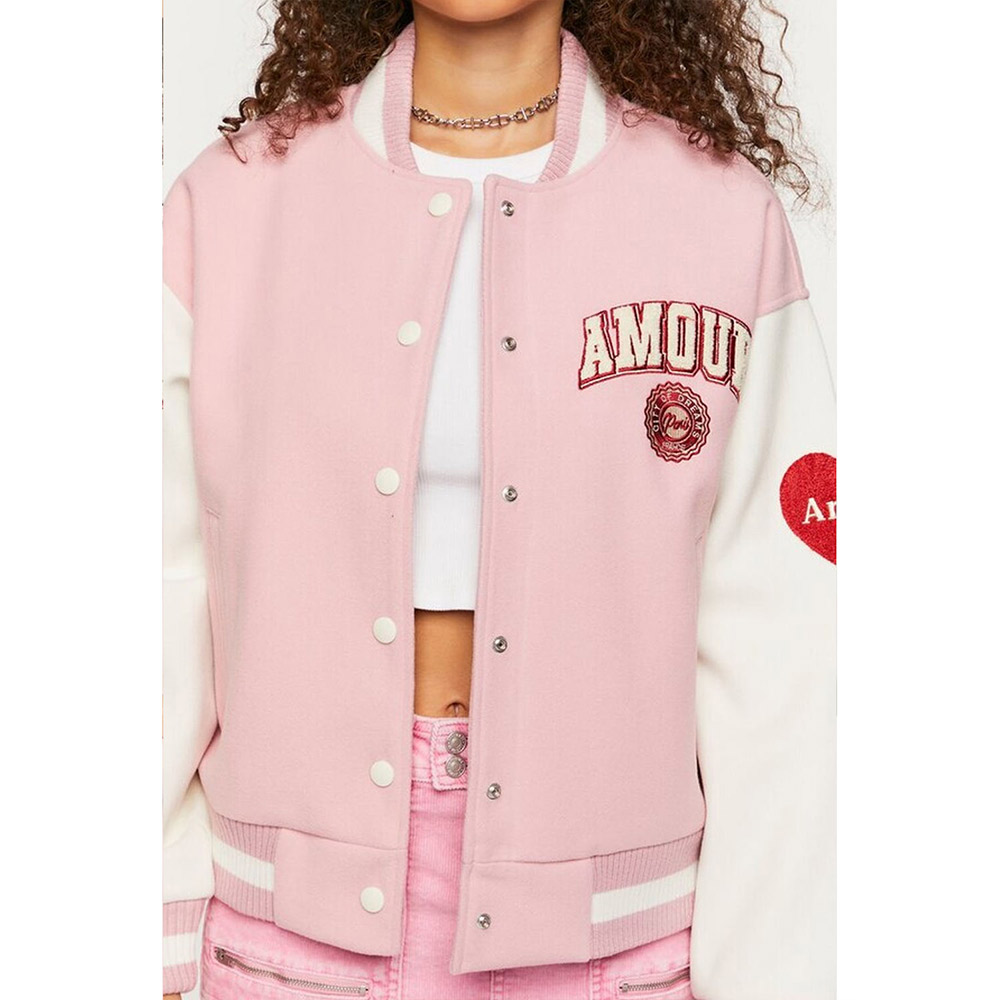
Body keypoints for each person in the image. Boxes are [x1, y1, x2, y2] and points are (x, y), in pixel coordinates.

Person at [162, 1, 836, 997]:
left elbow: (789, 636)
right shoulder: (231, 203)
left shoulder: (719, 216)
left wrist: (770, 971)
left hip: (617, 949)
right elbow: (154, 579)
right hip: (282, 941)